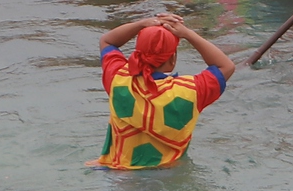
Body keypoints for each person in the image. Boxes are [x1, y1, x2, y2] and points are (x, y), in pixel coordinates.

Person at [91, 13, 233, 171]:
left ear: (137, 53)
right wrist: (187, 34)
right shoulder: (190, 91)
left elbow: (107, 40)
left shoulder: (118, 78)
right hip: (166, 176)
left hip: (117, 175)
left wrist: (141, 23)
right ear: (172, 59)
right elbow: (226, 66)